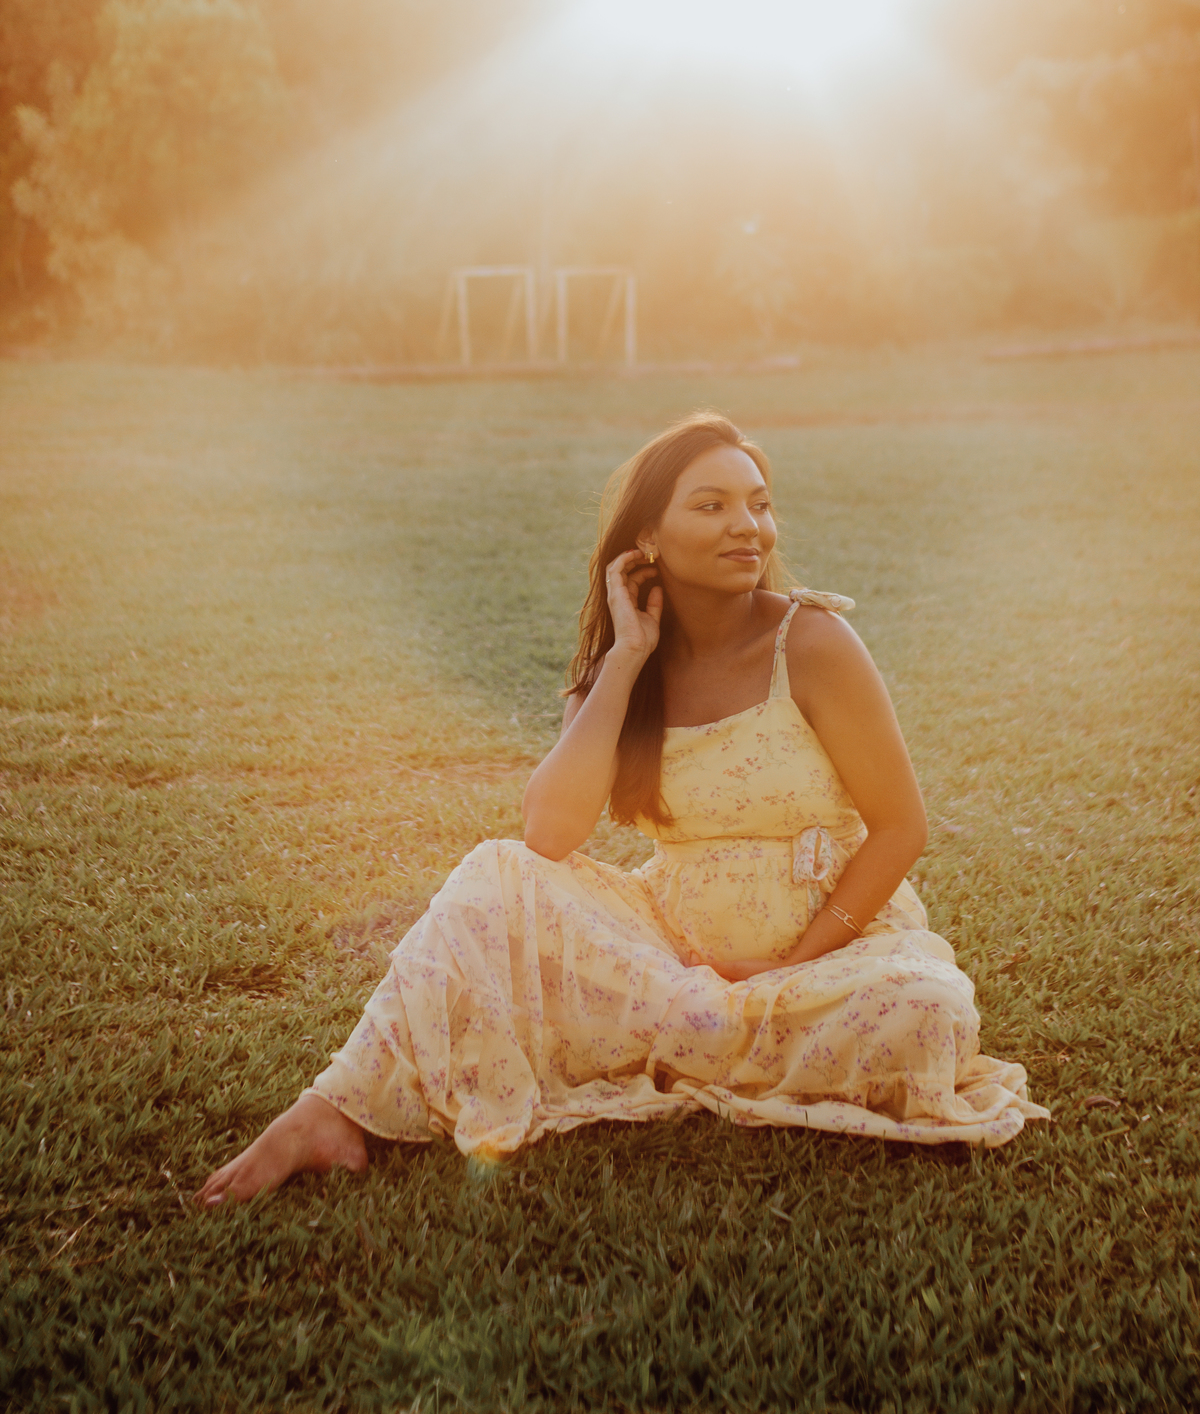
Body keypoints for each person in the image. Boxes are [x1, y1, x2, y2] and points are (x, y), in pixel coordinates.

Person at [197, 411, 1047, 1206]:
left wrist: (788, 966)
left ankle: (696, 1037)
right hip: (671, 951)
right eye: (711, 505)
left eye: (759, 504)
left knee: (929, 1011)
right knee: (493, 878)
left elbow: (901, 828)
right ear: (647, 538)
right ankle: (330, 1110)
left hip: (830, 954)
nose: (747, 527)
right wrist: (628, 658)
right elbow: (548, 834)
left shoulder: (815, 642)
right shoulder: (620, 671)